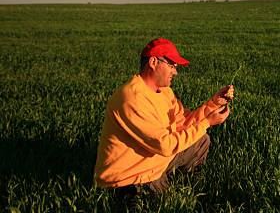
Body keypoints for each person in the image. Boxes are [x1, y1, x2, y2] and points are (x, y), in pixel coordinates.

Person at [93, 38, 233, 198]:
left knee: (201, 140)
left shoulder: (164, 91)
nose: (175, 71)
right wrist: (207, 122)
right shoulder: (132, 98)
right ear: (153, 62)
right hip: (130, 177)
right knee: (168, 209)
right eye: (171, 65)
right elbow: (165, 146)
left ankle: (188, 184)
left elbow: (184, 123)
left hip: (155, 160)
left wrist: (213, 104)